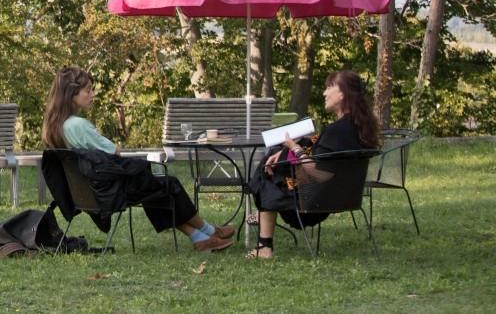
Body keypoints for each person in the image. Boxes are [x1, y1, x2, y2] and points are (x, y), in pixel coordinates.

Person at [42, 66, 235, 252]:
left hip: (92, 190)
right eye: (88, 90)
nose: (92, 94)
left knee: (157, 188)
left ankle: (200, 237)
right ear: (72, 93)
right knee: (167, 184)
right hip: (109, 190)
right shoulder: (77, 125)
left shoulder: (56, 126)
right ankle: (209, 231)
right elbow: (114, 151)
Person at [246, 69, 380, 259]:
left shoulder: (336, 130)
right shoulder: (359, 127)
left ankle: (265, 246)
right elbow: (327, 158)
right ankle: (264, 218)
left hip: (313, 203)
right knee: (275, 165)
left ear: (342, 93)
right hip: (342, 196)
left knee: (266, 173)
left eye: (328, 88)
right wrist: (287, 151)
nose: (324, 93)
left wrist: (292, 145)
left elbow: (317, 172)